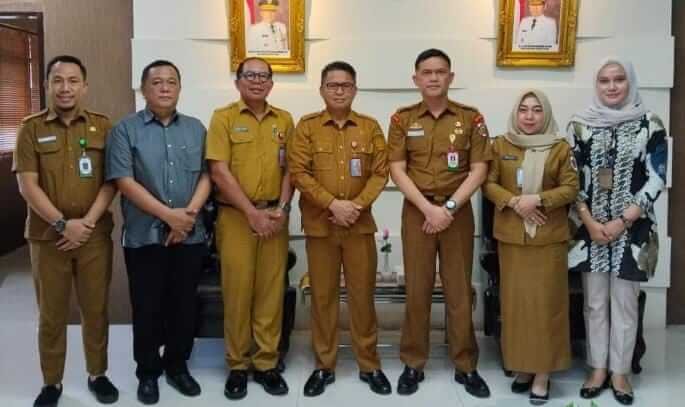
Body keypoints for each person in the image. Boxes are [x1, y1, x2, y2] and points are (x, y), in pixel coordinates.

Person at [12, 55, 119, 407]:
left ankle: (97, 374)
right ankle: (51, 382)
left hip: (93, 237)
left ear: (84, 86)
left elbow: (112, 180)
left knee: (95, 310)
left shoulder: (103, 127)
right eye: (57, 80)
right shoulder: (30, 128)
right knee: (51, 314)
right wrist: (62, 224)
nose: (65, 88)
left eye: (73, 81)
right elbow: (28, 185)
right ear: (47, 85)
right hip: (47, 238)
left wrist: (85, 224)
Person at [387, 48, 492, 399]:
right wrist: (427, 209)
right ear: (415, 79)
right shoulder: (402, 119)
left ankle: (466, 364)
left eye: (440, 72)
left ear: (451, 77)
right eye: (427, 72)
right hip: (417, 212)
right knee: (417, 290)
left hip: (456, 212)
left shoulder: (471, 118)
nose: (433, 77)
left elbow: (479, 169)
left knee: (459, 291)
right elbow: (397, 169)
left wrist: (447, 208)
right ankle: (413, 363)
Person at [105, 60, 210, 404]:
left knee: (184, 305)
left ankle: (177, 366)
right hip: (144, 236)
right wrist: (169, 217)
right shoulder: (125, 130)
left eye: (171, 82)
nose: (165, 87)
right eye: (157, 82)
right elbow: (124, 181)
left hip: (190, 234)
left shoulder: (196, 128)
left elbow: (207, 176)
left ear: (179, 88)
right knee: (147, 306)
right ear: (143, 89)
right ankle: (148, 372)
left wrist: (187, 217)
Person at [568, 58, 668, 406]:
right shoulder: (580, 125)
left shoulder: (649, 124)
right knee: (594, 303)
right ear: (596, 85)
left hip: (633, 229)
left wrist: (622, 220)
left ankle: (620, 372)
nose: (611, 86)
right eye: (604, 80)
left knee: (625, 303)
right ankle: (597, 368)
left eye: (619, 79)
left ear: (630, 82)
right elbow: (571, 177)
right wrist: (589, 221)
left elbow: (657, 177)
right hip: (590, 229)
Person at [289, 61, 391, 397]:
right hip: (321, 227)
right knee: (323, 297)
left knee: (363, 297)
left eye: (345, 85)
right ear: (321, 90)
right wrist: (333, 205)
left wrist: (355, 207)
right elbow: (299, 172)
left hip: (359, 227)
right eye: (332, 85)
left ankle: (369, 364)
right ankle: (324, 365)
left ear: (355, 90)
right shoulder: (307, 127)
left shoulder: (370, 127)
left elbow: (381, 173)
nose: (339, 91)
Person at [483, 89, 578, 405]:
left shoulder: (560, 148)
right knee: (517, 308)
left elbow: (571, 188)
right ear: (516, 113)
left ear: (545, 114)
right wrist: (514, 202)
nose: (529, 116)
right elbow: (488, 183)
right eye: (523, 109)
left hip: (547, 239)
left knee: (546, 308)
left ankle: (543, 374)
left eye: (537, 110)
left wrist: (538, 199)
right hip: (512, 239)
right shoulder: (501, 145)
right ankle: (523, 367)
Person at [206, 57, 293, 400]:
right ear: (237, 81)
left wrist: (282, 208)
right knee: (238, 293)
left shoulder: (284, 120)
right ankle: (238, 365)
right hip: (236, 218)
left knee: (270, 292)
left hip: (274, 217)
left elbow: (291, 170)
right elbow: (219, 171)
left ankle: (267, 363)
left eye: (263, 76)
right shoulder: (223, 118)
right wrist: (251, 213)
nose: (257, 81)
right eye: (250, 75)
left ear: (271, 83)